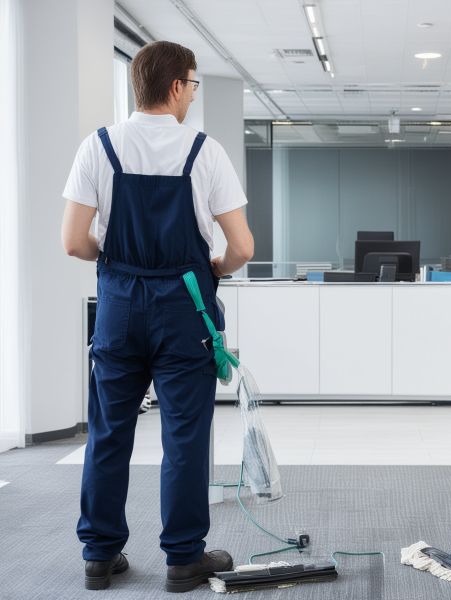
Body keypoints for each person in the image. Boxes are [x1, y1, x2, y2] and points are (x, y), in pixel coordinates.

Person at [61, 41, 254, 592]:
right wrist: (213, 265)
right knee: (185, 436)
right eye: (192, 84)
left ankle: (99, 554)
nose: (192, 94)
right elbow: (241, 245)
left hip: (118, 309)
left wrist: (122, 267)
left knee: (108, 433)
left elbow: (74, 241)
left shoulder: (98, 147)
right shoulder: (204, 151)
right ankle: (183, 558)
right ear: (175, 87)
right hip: (184, 307)